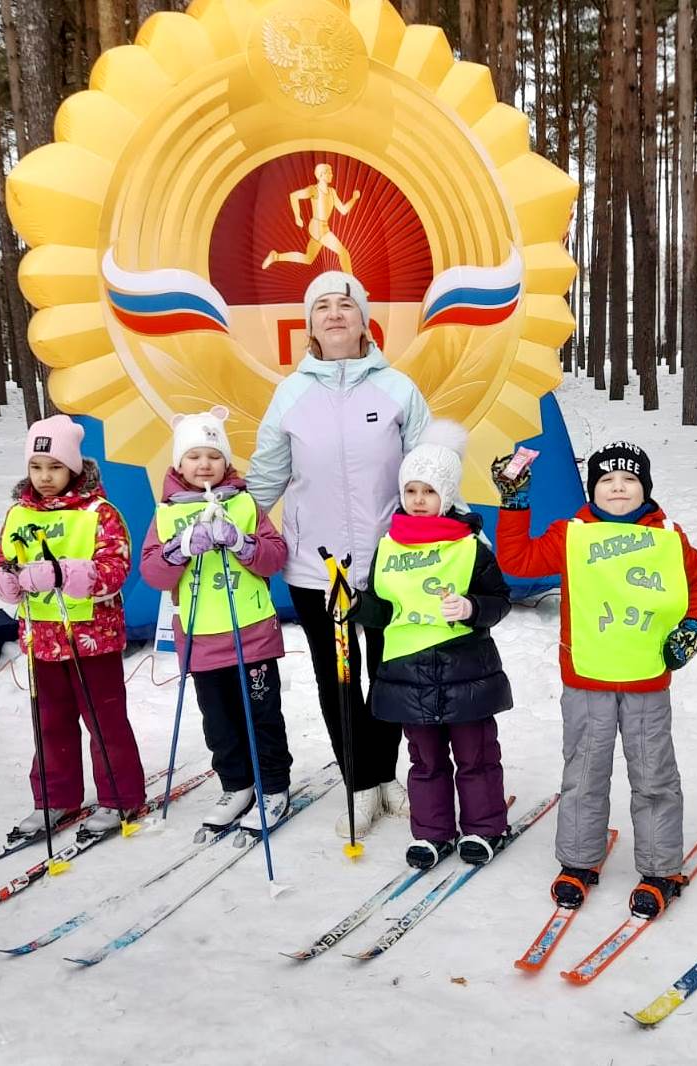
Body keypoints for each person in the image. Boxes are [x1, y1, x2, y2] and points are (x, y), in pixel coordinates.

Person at [494, 441, 697, 918]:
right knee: (585, 774)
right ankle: (578, 861)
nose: (618, 487)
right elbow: (518, 562)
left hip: (646, 681)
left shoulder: (670, 537)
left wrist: (696, 626)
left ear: (646, 488)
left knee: (654, 776)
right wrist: (515, 504)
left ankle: (660, 867)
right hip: (587, 680)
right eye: (607, 480)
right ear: (593, 488)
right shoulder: (571, 535)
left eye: (630, 479)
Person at [247, 271, 432, 838]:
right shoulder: (291, 394)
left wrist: (455, 535)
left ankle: (384, 775)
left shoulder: (398, 388)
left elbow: (429, 472)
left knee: (389, 671)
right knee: (337, 677)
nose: (334, 314)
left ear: (363, 319)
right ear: (310, 324)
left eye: (345, 305)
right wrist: (229, 523)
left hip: (390, 563)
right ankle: (358, 781)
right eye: (322, 306)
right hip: (316, 568)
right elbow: (267, 474)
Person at [349, 422, 514, 869]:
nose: (419, 500)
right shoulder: (388, 545)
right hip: (409, 674)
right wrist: (355, 606)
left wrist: (472, 608)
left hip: (465, 671)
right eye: (411, 490)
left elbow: (501, 600)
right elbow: (385, 612)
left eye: (428, 491)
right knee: (424, 760)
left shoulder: (470, 545)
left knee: (475, 755)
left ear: (447, 494)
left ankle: (485, 828)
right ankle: (433, 832)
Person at [139, 406, 293, 835]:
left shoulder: (244, 504)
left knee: (262, 714)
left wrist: (241, 542)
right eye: (193, 456)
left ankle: (274, 786)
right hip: (201, 638)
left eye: (212, 455)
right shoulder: (167, 513)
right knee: (219, 720)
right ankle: (237, 784)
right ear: (178, 464)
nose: (203, 464)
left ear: (226, 461)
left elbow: (274, 557)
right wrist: (181, 547)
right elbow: (153, 573)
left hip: (252, 634)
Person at [0, 415, 146, 838]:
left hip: (91, 639)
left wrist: (63, 574)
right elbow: (2, 559)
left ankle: (120, 796)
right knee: (50, 722)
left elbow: (116, 569)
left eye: (55, 467)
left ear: (74, 467)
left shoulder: (99, 512)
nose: (45, 477)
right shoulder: (19, 514)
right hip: (41, 639)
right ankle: (55, 796)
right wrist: (5, 580)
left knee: (104, 720)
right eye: (37, 467)